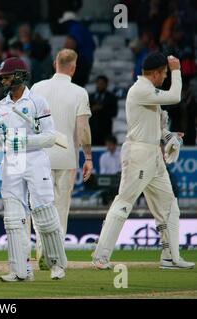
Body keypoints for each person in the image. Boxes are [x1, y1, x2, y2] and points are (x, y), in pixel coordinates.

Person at [92, 52, 195, 270]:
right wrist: (177, 69)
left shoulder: (149, 92)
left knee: (170, 206)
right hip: (139, 154)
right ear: (156, 73)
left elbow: (156, 128)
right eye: (165, 73)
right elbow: (175, 96)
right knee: (124, 203)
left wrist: (169, 136)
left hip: (153, 156)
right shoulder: (141, 90)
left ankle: (170, 256)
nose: (166, 77)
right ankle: (101, 256)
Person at [0, 57, 68, 281]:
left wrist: (21, 141)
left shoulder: (37, 101)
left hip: (35, 160)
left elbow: (49, 137)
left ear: (19, 76)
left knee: (44, 212)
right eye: (2, 77)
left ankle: (57, 264)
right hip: (11, 163)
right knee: (13, 218)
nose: (3, 80)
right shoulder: (1, 106)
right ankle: (20, 270)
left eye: (6, 76)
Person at [31, 49, 93, 268]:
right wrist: (88, 157)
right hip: (66, 158)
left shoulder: (37, 88)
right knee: (60, 207)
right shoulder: (79, 92)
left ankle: (41, 249)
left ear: (55, 63)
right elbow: (83, 128)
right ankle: (54, 255)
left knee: (40, 205)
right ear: (73, 68)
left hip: (39, 156)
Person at [89, 75, 118, 146]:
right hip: (92, 130)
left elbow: (114, 113)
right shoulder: (90, 97)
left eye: (102, 83)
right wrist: (92, 109)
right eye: (98, 83)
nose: (100, 85)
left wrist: (102, 109)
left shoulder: (111, 97)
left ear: (106, 84)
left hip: (106, 131)